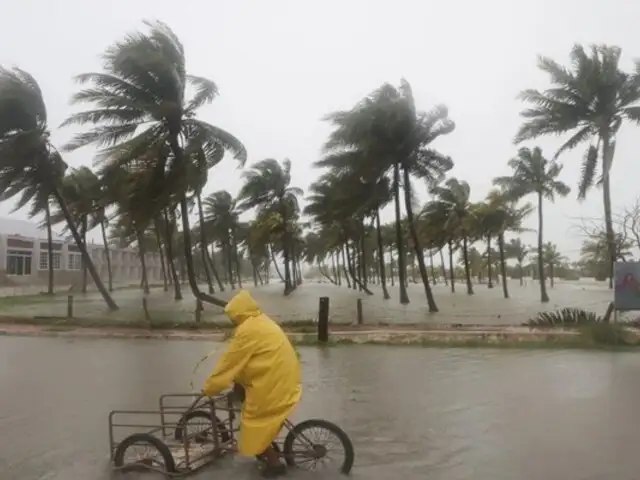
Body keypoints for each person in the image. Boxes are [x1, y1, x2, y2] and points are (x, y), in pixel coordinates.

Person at [202, 289, 302, 478]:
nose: (232, 321)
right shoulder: (262, 321)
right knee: (259, 421)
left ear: (238, 314)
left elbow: (229, 363)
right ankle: (267, 448)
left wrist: (210, 388)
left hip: (272, 385)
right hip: (285, 379)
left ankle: (274, 464)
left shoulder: (247, 331)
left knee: (252, 427)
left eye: (233, 317)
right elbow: (249, 361)